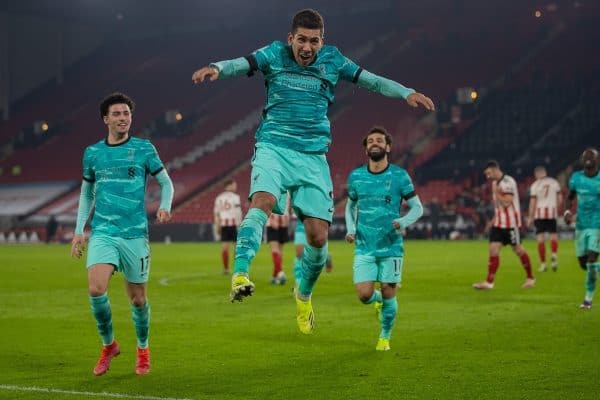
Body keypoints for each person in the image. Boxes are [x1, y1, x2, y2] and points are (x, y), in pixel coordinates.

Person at [192, 8, 434, 334]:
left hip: (313, 156)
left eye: (314, 41)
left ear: (323, 41)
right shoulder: (274, 54)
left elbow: (373, 82)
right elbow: (243, 62)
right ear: (290, 38)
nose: (307, 47)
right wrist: (217, 68)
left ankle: (303, 294)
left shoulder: (333, 61)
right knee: (261, 201)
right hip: (274, 148)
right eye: (302, 40)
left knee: (318, 239)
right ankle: (240, 273)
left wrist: (406, 92)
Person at [70, 92, 174, 376]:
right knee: (96, 288)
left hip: (135, 234)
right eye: (116, 114)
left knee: (138, 300)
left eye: (126, 113)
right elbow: (87, 194)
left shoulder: (144, 149)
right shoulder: (92, 153)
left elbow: (166, 183)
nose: (122, 118)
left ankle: (143, 348)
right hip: (104, 232)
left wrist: (165, 206)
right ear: (106, 119)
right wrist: (80, 230)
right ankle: (109, 345)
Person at [345, 126, 423, 351]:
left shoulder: (399, 176)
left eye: (379, 140)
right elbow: (350, 206)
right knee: (364, 294)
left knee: (390, 295)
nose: (375, 143)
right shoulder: (356, 176)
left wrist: (403, 222)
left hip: (391, 247)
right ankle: (376, 300)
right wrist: (350, 229)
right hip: (364, 247)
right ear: (366, 148)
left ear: (388, 147)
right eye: (370, 141)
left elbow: (418, 208)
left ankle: (385, 336)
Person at [473, 160, 535, 290]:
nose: (487, 176)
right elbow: (500, 207)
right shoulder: (495, 183)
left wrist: (496, 193)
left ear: (495, 169)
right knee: (493, 249)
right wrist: (492, 221)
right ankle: (489, 282)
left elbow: (507, 202)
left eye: (489, 173)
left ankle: (530, 278)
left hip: (511, 224)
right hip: (498, 223)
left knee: (518, 250)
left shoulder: (508, 182)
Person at [563, 148, 600, 310]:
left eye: (591, 157)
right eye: (585, 156)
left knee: (592, 260)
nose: (588, 159)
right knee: (583, 264)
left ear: (597, 160)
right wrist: (567, 211)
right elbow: (570, 197)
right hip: (581, 225)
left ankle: (588, 299)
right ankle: (594, 268)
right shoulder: (576, 178)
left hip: (597, 225)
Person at [527, 166, 563, 272]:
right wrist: (556, 207)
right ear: (545, 172)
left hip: (539, 214)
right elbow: (560, 199)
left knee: (540, 239)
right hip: (552, 213)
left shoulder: (535, 185)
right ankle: (554, 254)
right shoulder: (554, 182)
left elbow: (533, 203)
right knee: (553, 236)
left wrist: (530, 217)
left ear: (536, 174)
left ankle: (543, 265)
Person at [292, 217, 332, 289]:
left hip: (315, 224)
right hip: (301, 225)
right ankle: (298, 283)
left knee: (316, 249)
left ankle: (325, 255)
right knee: (299, 254)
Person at [213, 179, 243, 275]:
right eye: (234, 185)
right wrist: (240, 224)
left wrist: (217, 226)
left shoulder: (219, 198)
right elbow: (238, 212)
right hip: (233, 225)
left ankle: (226, 269)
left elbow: (216, 214)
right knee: (236, 248)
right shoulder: (236, 197)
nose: (235, 187)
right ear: (229, 186)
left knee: (225, 248)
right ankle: (237, 269)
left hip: (224, 225)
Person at [266, 195, 290, 285]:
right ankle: (274, 276)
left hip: (272, 220)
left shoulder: (271, 185)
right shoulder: (287, 189)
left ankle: (280, 272)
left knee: (274, 249)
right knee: (280, 250)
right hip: (284, 220)